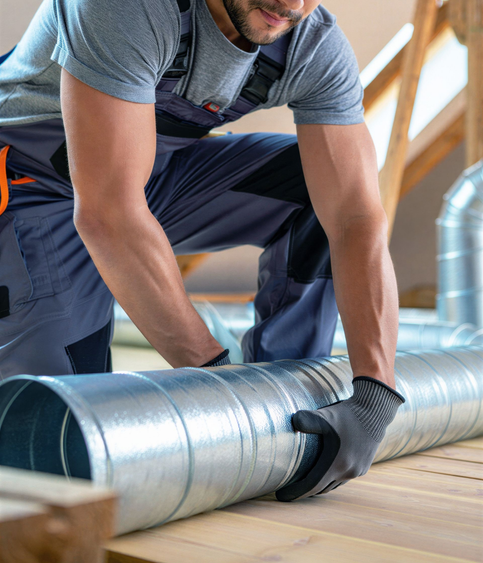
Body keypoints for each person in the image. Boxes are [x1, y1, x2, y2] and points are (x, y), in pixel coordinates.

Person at [0, 0, 405, 499]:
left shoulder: (310, 42)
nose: (291, 5)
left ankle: (288, 412)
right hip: (29, 185)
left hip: (147, 171)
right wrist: (219, 382)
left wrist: (375, 392)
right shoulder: (127, 8)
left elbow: (355, 217)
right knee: (59, 428)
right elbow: (108, 214)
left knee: (320, 192)